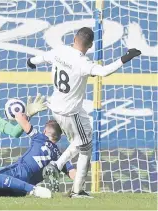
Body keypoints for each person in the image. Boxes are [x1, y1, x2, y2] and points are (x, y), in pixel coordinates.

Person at [27, 27, 141, 198]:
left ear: (74, 38)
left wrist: (31, 62)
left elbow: (41, 58)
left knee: (83, 140)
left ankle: (58, 167)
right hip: (70, 112)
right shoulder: (83, 62)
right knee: (85, 148)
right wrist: (125, 57)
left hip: (58, 106)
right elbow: (104, 71)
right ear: (90, 45)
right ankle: (75, 188)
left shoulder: (60, 50)